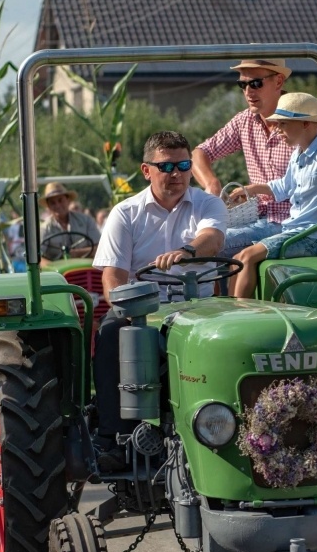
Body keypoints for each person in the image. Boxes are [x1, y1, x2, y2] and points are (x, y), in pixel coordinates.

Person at [91, 131, 228, 469]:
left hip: (200, 306)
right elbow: (113, 278)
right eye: (166, 166)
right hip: (144, 310)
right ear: (146, 170)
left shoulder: (208, 204)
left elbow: (212, 239)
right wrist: (127, 308)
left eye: (183, 165)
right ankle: (113, 438)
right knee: (111, 335)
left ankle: (223, 427)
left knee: (233, 342)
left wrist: (187, 252)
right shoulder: (125, 214)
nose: (177, 173)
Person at [227, 93, 317, 299]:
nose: (277, 130)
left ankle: (242, 312)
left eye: (283, 124)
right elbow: (284, 187)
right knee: (238, 258)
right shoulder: (297, 155)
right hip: (294, 231)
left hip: (310, 237)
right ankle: (233, 309)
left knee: (248, 256)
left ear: (306, 124)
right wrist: (251, 189)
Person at [192, 57, 294, 254]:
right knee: (193, 237)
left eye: (256, 83)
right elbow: (200, 152)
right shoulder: (245, 120)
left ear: (279, 81)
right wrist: (211, 184)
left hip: (291, 224)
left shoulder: (302, 123)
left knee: (207, 246)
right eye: (242, 84)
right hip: (255, 220)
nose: (248, 91)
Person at [40, 181, 102, 263]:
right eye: (53, 203)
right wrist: (54, 269)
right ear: (48, 206)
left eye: (60, 200)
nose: (57, 205)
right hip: (59, 273)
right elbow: (38, 258)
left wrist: (77, 253)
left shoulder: (86, 221)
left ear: (68, 200)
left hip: (86, 269)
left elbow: (100, 248)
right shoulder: (44, 228)